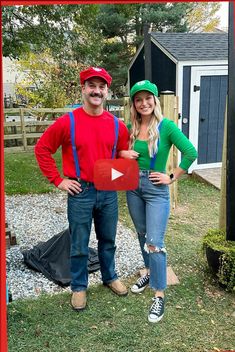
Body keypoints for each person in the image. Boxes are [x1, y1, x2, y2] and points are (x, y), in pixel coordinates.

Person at [35, 67, 129, 311]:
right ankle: (79, 287)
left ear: (107, 91)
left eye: (101, 86)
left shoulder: (118, 125)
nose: (96, 91)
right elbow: (42, 149)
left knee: (108, 239)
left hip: (108, 192)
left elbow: (122, 156)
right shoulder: (68, 121)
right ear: (83, 89)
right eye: (91, 86)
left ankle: (110, 277)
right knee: (78, 243)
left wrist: (127, 166)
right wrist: (58, 180)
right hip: (81, 193)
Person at [119, 80, 197, 323]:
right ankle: (150, 271)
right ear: (134, 103)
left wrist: (171, 177)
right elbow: (116, 154)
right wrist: (122, 154)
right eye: (138, 99)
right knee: (142, 235)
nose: (144, 103)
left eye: (148, 98)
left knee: (155, 242)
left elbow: (191, 152)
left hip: (155, 190)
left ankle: (159, 296)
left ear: (155, 100)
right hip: (132, 187)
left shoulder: (167, 127)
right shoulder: (129, 127)